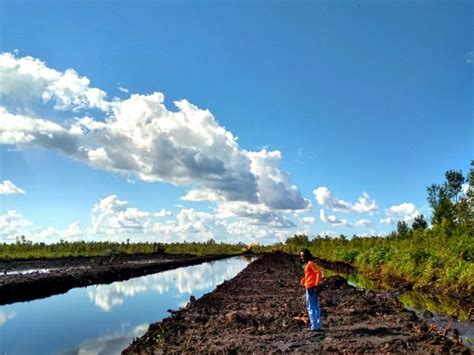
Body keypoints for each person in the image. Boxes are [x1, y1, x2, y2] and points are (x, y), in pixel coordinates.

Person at [299, 248, 323, 332]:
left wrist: (316, 284)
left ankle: (314, 326)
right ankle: (317, 325)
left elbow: (318, 273)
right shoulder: (309, 264)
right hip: (311, 286)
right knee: (315, 306)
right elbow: (311, 274)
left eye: (303, 255)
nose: (302, 257)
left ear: (307, 255)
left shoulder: (310, 263)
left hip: (311, 287)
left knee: (311, 307)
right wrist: (304, 279)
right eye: (301, 256)